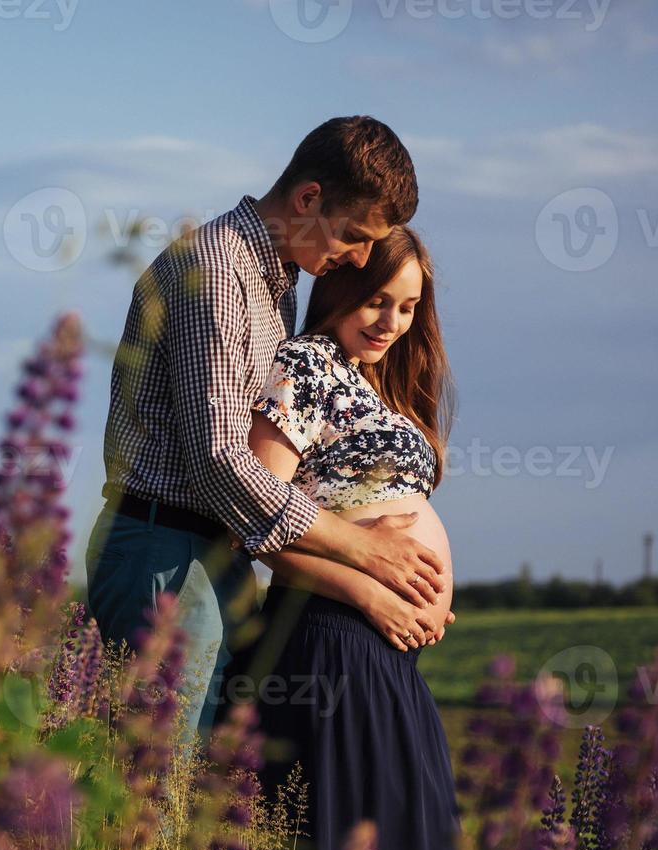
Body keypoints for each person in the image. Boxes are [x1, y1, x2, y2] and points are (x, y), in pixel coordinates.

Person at [86, 116, 452, 746]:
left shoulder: (271, 278)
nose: (360, 259)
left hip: (210, 556)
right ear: (308, 198)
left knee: (195, 792)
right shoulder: (221, 273)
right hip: (167, 550)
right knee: (155, 791)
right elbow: (221, 460)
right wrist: (367, 552)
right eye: (354, 235)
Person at [237, 225, 462, 850]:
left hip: (389, 657)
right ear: (338, 290)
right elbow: (262, 523)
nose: (388, 323)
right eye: (374, 301)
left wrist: (420, 597)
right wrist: (371, 595)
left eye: (404, 309)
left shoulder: (386, 386)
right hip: (328, 638)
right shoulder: (304, 365)